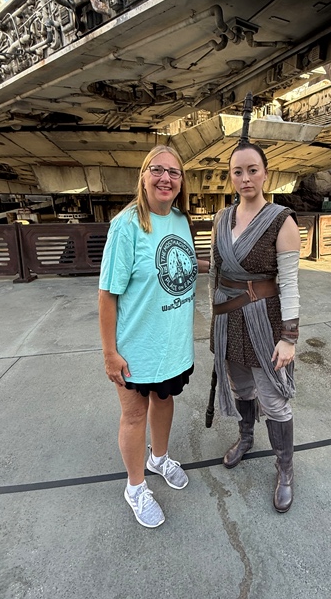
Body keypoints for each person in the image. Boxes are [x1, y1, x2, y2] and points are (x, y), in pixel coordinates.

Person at [99, 145, 210, 528]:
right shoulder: (126, 225)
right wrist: (110, 353)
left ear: (181, 182)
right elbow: (107, 294)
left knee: (164, 401)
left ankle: (159, 458)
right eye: (157, 170)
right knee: (134, 415)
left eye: (174, 172)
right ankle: (135, 487)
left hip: (173, 344)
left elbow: (183, 270)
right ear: (144, 176)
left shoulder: (180, 219)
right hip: (136, 347)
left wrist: (222, 264)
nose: (166, 178)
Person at [209, 140, 301, 513]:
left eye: (252, 170)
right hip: (228, 321)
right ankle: (246, 438)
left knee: (273, 399)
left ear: (265, 174)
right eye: (238, 171)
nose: (245, 178)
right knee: (241, 388)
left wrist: (289, 337)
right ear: (231, 177)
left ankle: (285, 468)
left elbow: (290, 283)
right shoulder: (221, 219)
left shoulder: (282, 220)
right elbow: (215, 274)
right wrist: (213, 320)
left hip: (265, 322)